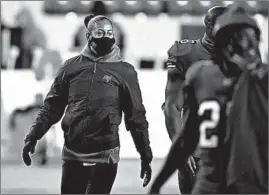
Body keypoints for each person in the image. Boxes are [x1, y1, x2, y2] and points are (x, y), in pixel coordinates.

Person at [22, 14, 153, 194]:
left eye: (109, 32)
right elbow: (51, 108)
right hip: (72, 155)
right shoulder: (70, 67)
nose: (106, 36)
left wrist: (145, 154)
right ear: (88, 36)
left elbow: (136, 117)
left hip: (106, 155)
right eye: (100, 32)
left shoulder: (125, 71)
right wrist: (33, 136)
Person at [150, 5, 267, 194]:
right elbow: (178, 118)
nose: (246, 44)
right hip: (206, 165)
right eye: (240, 37)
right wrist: (160, 180)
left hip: (248, 171)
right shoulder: (198, 71)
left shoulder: (260, 77)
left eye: (250, 38)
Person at [162, 6, 226, 193]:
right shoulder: (186, 53)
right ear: (209, 25)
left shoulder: (239, 56)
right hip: (199, 152)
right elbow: (172, 106)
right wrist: (181, 150)